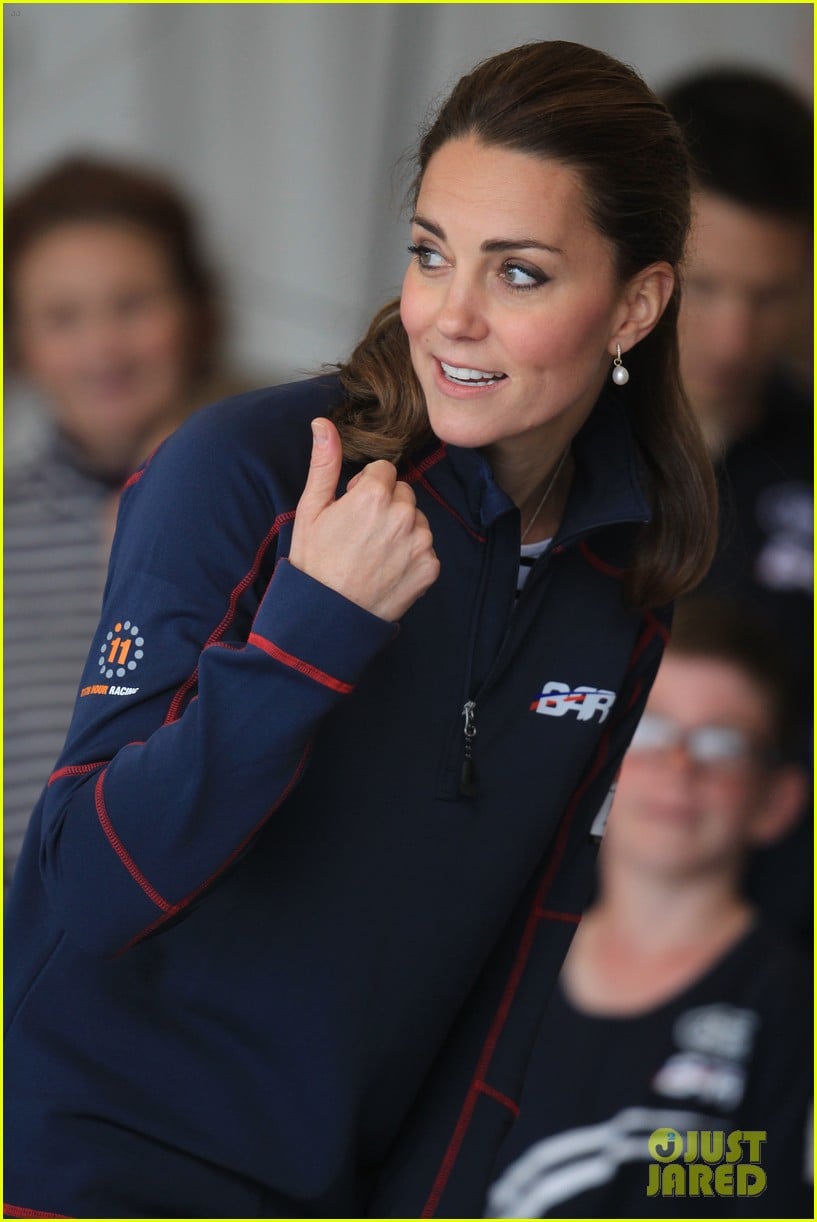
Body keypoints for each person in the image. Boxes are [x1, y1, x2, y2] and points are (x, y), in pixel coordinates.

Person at [4, 41, 716, 1219]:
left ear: (634, 305)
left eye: (522, 274)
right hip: (87, 1176)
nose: (453, 318)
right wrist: (306, 639)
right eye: (432, 254)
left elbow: (521, 954)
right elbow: (84, 890)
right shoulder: (248, 472)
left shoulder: (625, 570)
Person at [485, 599, 811, 1219]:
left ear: (778, 799)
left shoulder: (795, 1009)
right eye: (652, 730)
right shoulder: (504, 970)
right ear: (598, 760)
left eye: (723, 743)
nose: (680, 766)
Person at [4, 155, 240, 888]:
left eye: (132, 304)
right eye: (62, 317)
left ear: (195, 313)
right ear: (20, 342)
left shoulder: (300, 497)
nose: (102, 348)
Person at [664, 69, 813, 946]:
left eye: (767, 298)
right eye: (706, 287)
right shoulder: (540, 447)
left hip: (769, 945)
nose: (732, 338)